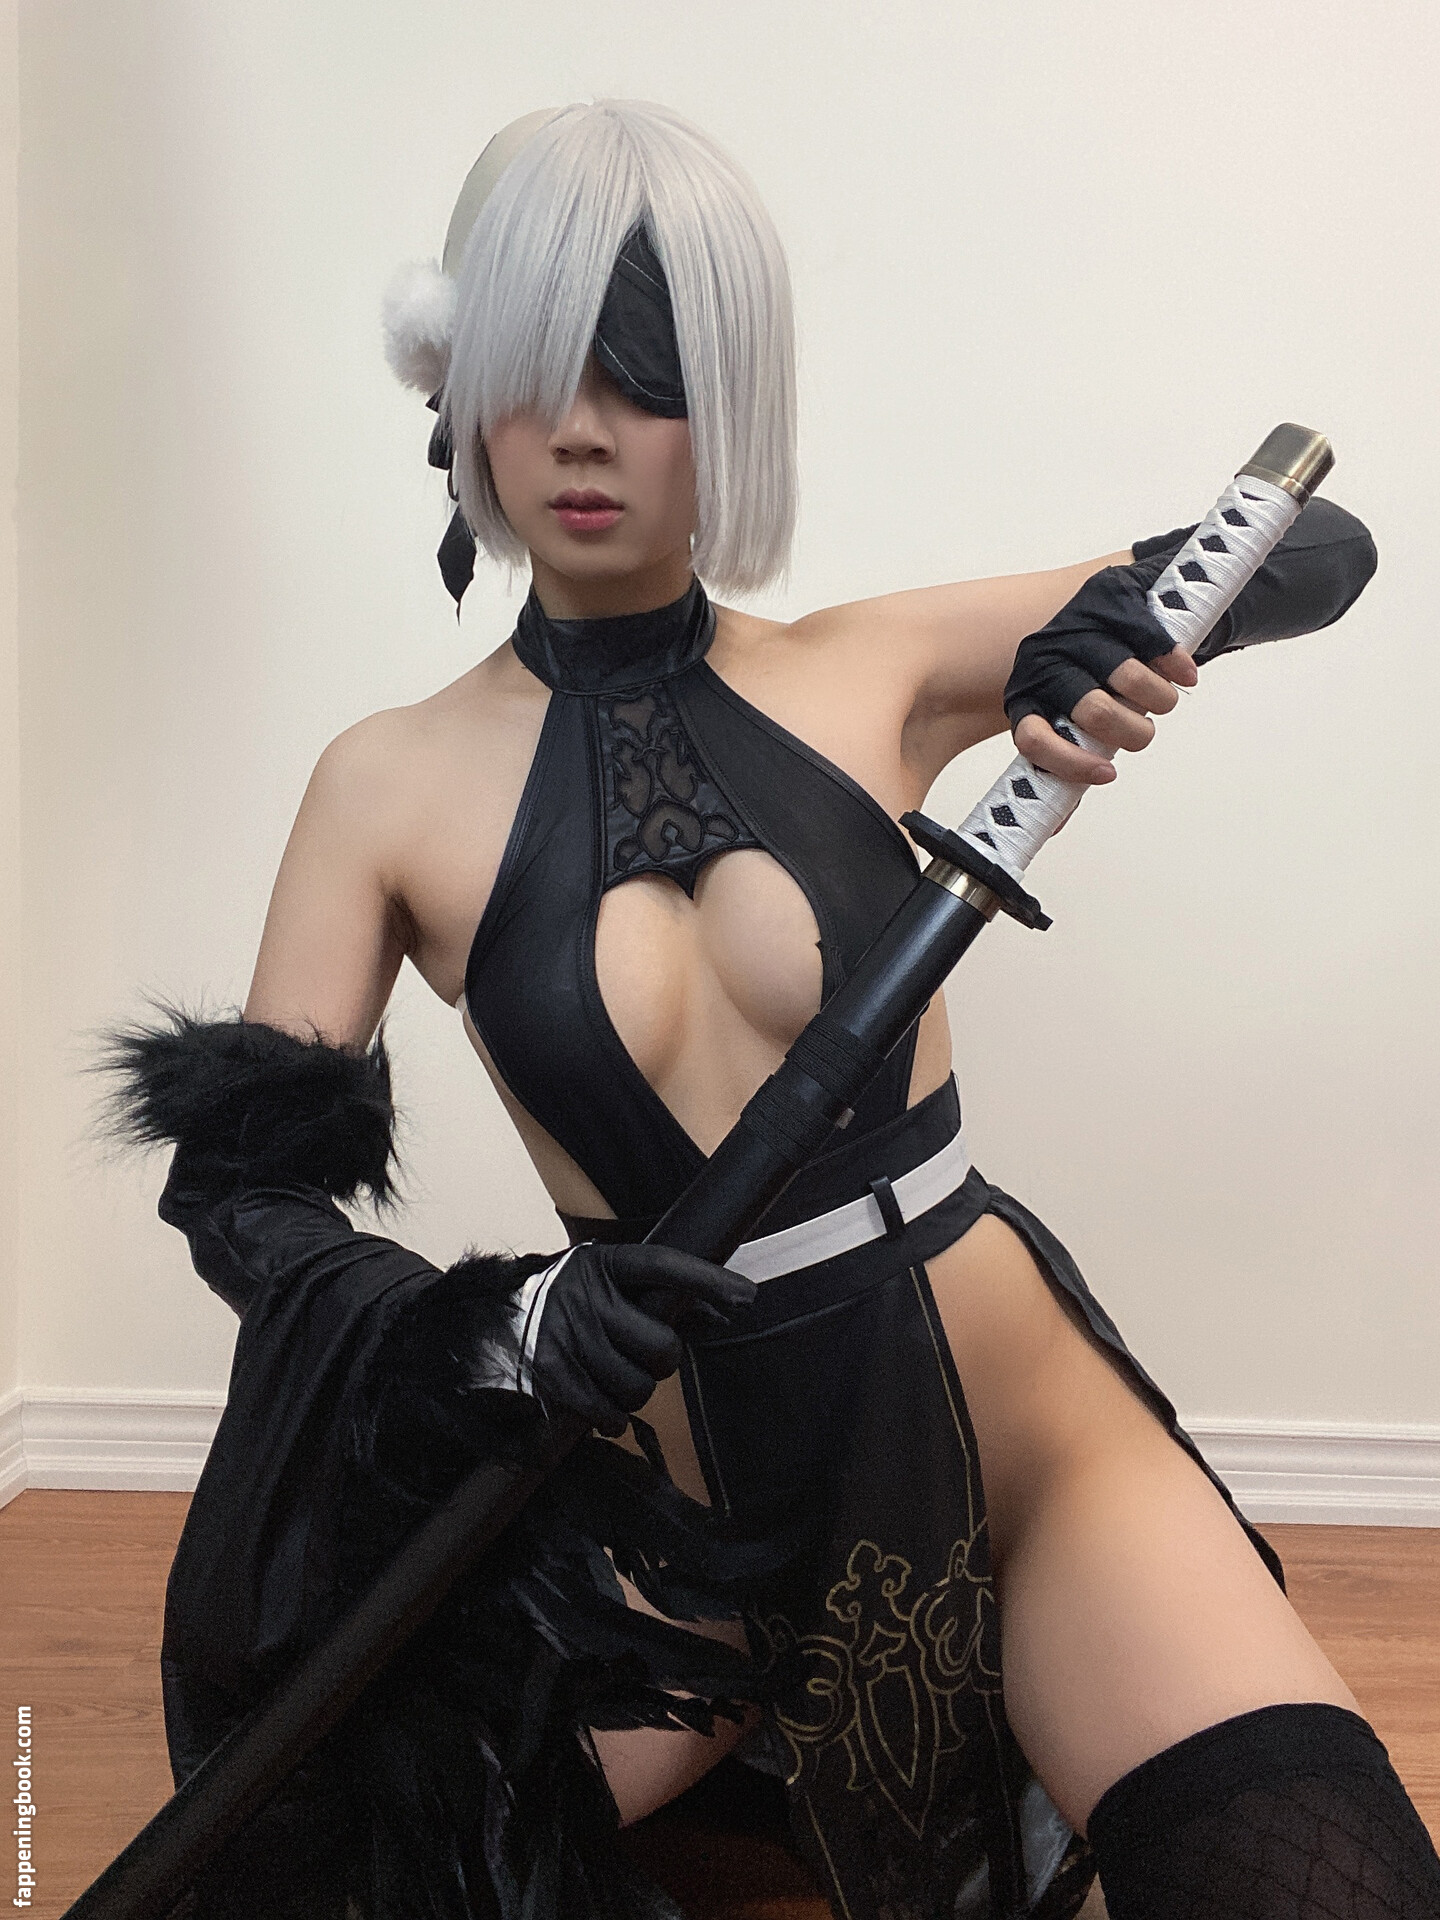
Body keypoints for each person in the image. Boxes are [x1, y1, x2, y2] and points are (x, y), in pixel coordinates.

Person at [99, 99, 1434, 1920]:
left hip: (1023, 1456)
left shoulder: (873, 668)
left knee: (1338, 1894)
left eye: (646, 376)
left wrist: (1112, 626)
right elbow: (242, 1198)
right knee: (315, 1868)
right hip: (684, 1532)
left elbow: (1318, 546)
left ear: (727, 402)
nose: (581, 428)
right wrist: (505, 1326)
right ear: (456, 386)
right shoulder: (384, 787)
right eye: (535, 368)